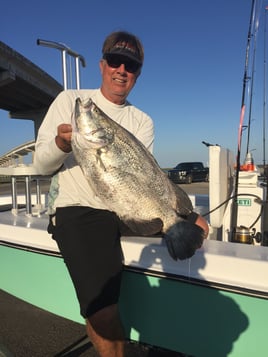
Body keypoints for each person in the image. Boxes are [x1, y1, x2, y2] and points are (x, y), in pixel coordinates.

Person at [34, 31, 208, 357]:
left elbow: (145, 175)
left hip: (125, 203)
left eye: (131, 65)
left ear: (137, 74)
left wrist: (176, 211)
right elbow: (42, 166)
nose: (121, 70)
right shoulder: (68, 100)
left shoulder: (142, 120)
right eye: (115, 61)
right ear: (102, 65)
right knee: (103, 311)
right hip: (81, 208)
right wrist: (61, 144)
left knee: (199, 225)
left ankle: (178, 329)